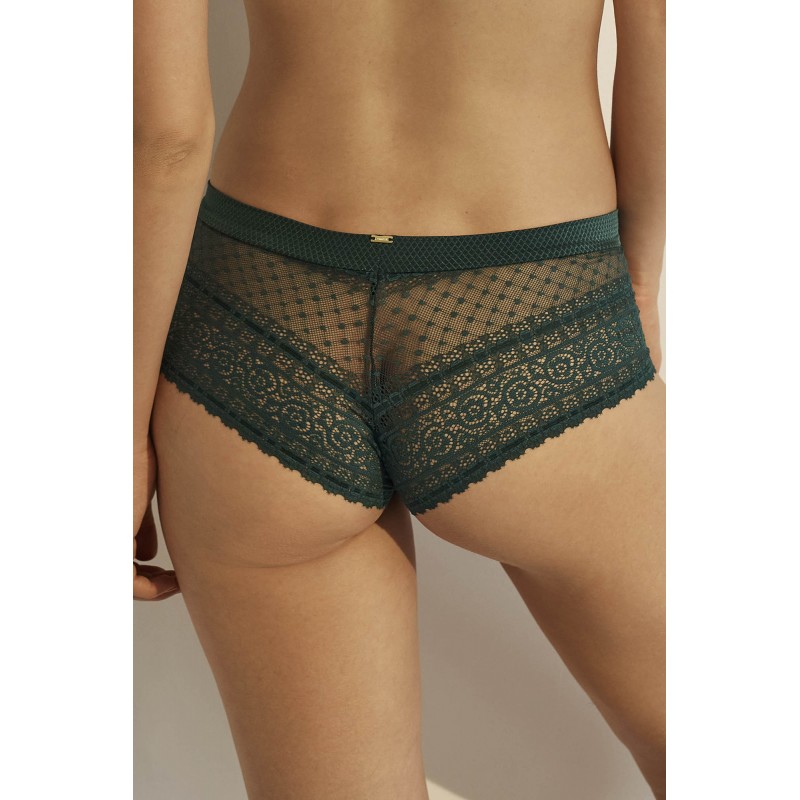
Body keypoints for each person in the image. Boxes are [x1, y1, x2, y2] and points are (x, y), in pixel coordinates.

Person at [133, 0, 665, 797]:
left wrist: (121, 432)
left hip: (256, 325)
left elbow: (166, 140)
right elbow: (663, 35)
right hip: (532, 308)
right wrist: (640, 284)